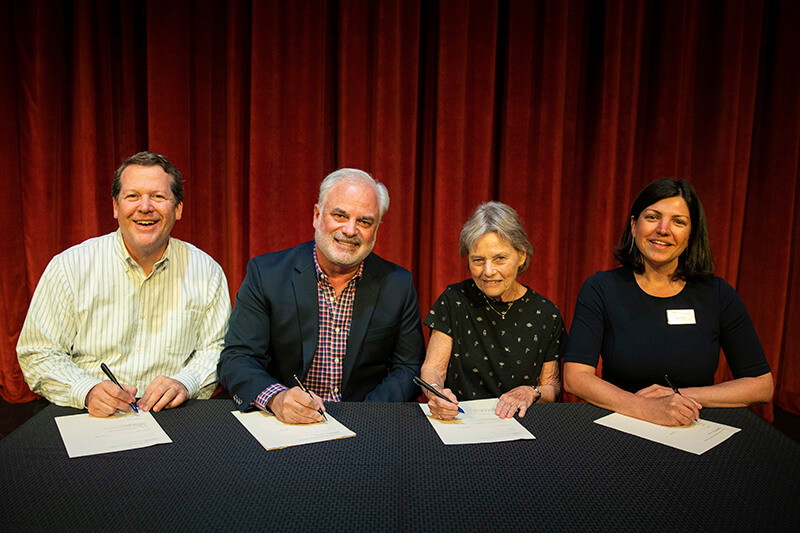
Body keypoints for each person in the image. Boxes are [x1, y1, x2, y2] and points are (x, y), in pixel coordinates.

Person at [17, 151, 231, 417]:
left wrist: (187, 382)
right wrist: (86, 389)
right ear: (116, 207)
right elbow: (38, 352)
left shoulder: (207, 271)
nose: (144, 207)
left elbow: (218, 348)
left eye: (158, 196)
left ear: (178, 209)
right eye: (132, 196)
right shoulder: (69, 267)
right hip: (86, 415)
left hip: (175, 415)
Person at [218, 168, 425, 424]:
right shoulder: (266, 274)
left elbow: (409, 367)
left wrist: (367, 415)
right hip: (285, 423)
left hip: (366, 423)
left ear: (377, 228)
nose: (350, 230)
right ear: (317, 216)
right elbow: (237, 357)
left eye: (364, 221)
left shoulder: (398, 284)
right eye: (340, 215)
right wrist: (276, 398)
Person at [563, 178, 773, 426]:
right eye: (652, 217)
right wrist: (645, 407)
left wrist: (678, 396)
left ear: (690, 235)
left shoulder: (718, 294)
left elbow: (761, 386)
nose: (663, 229)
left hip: (693, 428)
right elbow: (575, 377)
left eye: (678, 222)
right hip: (622, 423)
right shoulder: (600, 288)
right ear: (633, 225)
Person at [420, 202, 566, 420]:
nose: (488, 271)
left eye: (500, 258)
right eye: (478, 260)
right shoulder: (454, 300)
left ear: (521, 256)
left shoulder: (546, 313)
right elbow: (433, 368)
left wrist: (531, 392)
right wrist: (435, 391)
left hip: (520, 422)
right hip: (461, 420)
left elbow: (551, 387)